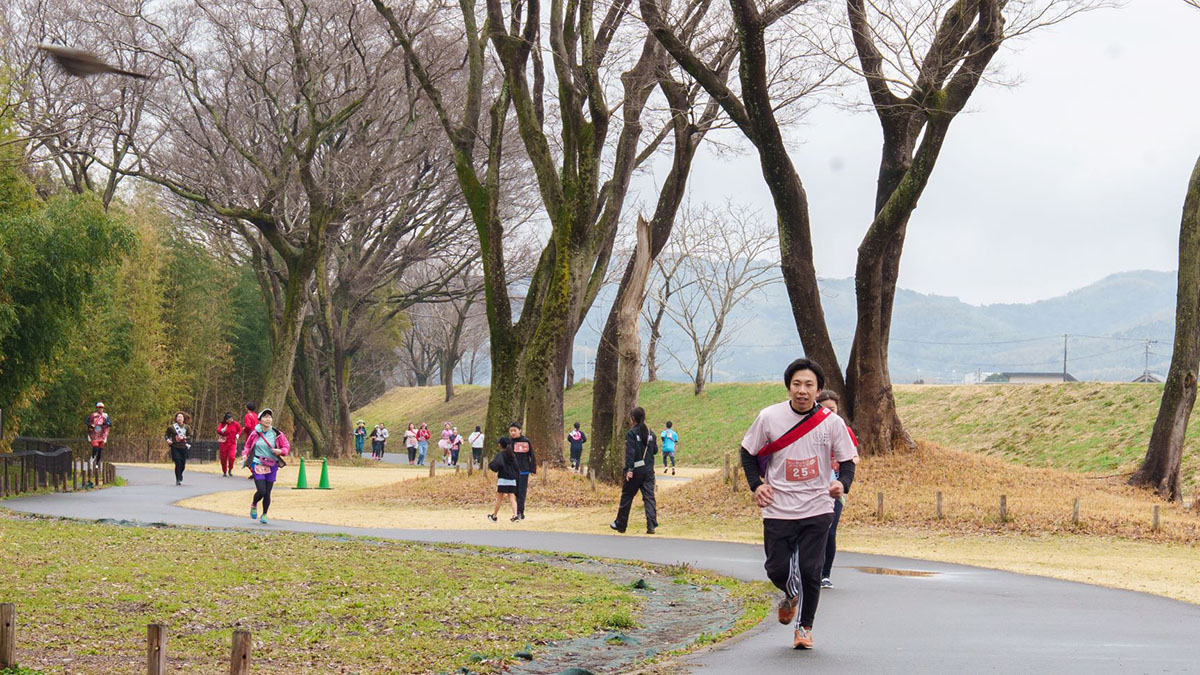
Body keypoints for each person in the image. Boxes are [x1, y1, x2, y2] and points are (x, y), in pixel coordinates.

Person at [739, 358, 857, 651]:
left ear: (818, 389)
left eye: (809, 385)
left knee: (810, 569)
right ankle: (791, 594)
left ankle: (804, 627)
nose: (802, 390)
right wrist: (757, 485)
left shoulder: (832, 423)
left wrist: (842, 484)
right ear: (788, 387)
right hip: (778, 506)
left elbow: (847, 461)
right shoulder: (769, 417)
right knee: (776, 569)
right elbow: (747, 452)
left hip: (818, 506)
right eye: (797, 384)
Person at [815, 389, 859, 589]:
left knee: (830, 530)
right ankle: (807, 571)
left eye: (831, 409)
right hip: (812, 486)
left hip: (835, 487)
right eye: (823, 409)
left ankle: (825, 574)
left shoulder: (843, 430)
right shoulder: (809, 429)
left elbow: (854, 457)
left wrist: (841, 471)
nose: (828, 413)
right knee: (809, 531)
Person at [610, 407, 659, 534]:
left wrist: (629, 469)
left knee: (627, 496)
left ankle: (621, 524)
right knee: (649, 497)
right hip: (648, 471)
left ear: (633, 418)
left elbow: (630, 453)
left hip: (635, 470)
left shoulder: (631, 433)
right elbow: (655, 450)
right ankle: (651, 524)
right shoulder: (651, 434)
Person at [244, 408, 291, 524]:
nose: (268, 419)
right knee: (261, 491)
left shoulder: (277, 434)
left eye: (270, 417)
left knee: (267, 492)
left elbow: (286, 447)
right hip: (258, 463)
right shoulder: (255, 433)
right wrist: (245, 454)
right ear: (260, 420)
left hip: (272, 464)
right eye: (265, 417)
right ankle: (254, 504)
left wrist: (280, 451)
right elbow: (247, 446)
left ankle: (264, 513)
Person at [498, 422, 536, 520]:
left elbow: (531, 455)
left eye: (515, 430)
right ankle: (515, 513)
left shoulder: (526, 441)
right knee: (513, 492)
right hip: (512, 472)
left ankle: (520, 513)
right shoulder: (509, 443)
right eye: (511, 431)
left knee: (521, 492)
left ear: (520, 430)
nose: (513, 433)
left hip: (524, 471)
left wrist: (533, 468)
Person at [487, 439, 520, 522]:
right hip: (512, 480)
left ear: (500, 445)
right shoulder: (512, 455)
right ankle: (515, 515)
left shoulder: (501, 455)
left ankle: (494, 516)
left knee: (499, 498)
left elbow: (496, 464)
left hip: (503, 479)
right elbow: (517, 468)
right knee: (512, 497)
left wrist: (491, 465)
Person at [165, 412, 192, 486]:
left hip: (183, 447)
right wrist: (168, 440)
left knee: (182, 465)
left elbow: (190, 436)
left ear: (183, 419)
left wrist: (184, 438)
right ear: (176, 418)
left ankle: (180, 474)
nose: (179, 418)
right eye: (178, 417)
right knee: (177, 462)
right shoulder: (171, 427)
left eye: (181, 417)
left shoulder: (187, 427)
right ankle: (178, 479)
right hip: (175, 447)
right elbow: (166, 435)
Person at [85, 402, 111, 467]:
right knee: (95, 448)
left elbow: (110, 423)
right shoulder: (93, 415)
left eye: (102, 408)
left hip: (102, 434)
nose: (100, 409)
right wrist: (91, 425)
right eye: (99, 408)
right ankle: (92, 458)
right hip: (94, 434)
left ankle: (97, 464)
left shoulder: (105, 415)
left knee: (100, 450)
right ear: (97, 408)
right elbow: (86, 421)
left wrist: (106, 424)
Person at [241, 403, 259, 480]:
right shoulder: (256, 415)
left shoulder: (248, 416)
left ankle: (254, 471)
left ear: (247, 408)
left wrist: (244, 429)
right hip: (257, 436)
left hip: (250, 436)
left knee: (248, 454)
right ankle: (255, 471)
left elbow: (248, 426)